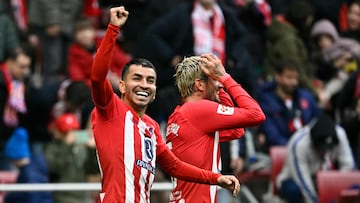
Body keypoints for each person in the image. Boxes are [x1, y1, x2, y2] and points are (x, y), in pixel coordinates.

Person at [90, 6, 240, 203]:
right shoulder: (111, 110)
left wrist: (216, 178)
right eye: (137, 78)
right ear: (123, 86)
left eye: (150, 80)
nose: (144, 85)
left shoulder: (151, 127)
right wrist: (112, 30)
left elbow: (174, 166)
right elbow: (97, 77)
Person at [165, 54, 266, 203]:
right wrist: (225, 77)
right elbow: (256, 114)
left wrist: (220, 89)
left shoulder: (180, 114)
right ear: (200, 85)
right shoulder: (198, 110)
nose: (219, 84)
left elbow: (236, 131)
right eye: (215, 80)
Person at [276, 114, 355, 203]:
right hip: (295, 179)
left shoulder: (339, 134)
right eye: (321, 148)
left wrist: (338, 191)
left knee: (354, 183)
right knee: (293, 190)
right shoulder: (299, 144)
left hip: (323, 178)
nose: (324, 151)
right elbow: (303, 182)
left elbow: (348, 166)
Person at [257, 60, 321, 153]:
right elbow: (271, 132)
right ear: (278, 77)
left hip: (310, 147)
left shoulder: (306, 96)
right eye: (289, 78)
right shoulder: (267, 101)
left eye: (296, 79)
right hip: (283, 149)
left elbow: (318, 119)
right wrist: (293, 147)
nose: (293, 82)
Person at [4, 127, 53, 203]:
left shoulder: (29, 175)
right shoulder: (30, 167)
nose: (9, 161)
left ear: (14, 157)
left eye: (10, 158)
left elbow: (34, 199)